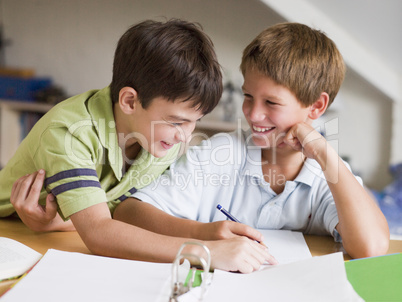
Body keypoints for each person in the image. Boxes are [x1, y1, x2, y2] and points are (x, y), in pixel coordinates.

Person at [0, 19, 275, 273]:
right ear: (130, 101)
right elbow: (98, 232)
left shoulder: (155, 137)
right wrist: (204, 251)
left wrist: (207, 232)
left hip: (61, 234)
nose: (185, 136)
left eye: (195, 122)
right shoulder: (70, 133)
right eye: (177, 122)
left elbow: (127, 211)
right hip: (11, 235)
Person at [113, 22, 390, 259]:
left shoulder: (326, 175)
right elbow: (129, 213)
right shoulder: (220, 154)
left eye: (271, 102)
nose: (253, 114)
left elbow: (372, 247)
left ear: (316, 107)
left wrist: (324, 152)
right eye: (248, 97)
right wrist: (204, 233)